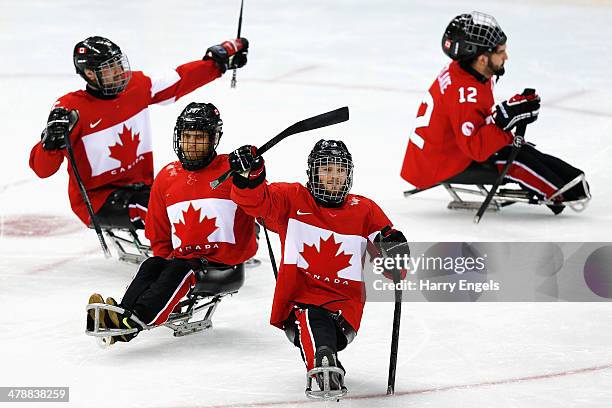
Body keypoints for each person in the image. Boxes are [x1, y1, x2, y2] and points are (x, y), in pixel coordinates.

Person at [227, 140, 410, 396]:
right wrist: (250, 174)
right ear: (312, 172)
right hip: (297, 301)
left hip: (344, 309)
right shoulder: (291, 198)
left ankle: (325, 361)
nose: (334, 177)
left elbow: (395, 272)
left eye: (340, 171)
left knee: (317, 320)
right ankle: (323, 362)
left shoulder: (365, 210)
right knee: (309, 315)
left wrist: (396, 252)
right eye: (326, 170)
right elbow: (256, 202)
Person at [30, 35, 249, 230]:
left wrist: (217, 63)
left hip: (143, 188)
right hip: (99, 200)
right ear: (90, 74)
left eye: (118, 64)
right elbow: (42, 170)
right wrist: (49, 144)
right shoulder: (70, 109)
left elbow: (178, 81)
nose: (119, 72)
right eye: (109, 68)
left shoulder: (135, 86)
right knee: (162, 210)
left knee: (197, 193)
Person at [87, 102, 257, 344]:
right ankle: (122, 314)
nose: (191, 144)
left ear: (214, 138)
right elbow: (159, 234)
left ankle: (134, 323)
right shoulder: (168, 176)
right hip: (185, 260)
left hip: (224, 264)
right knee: (152, 265)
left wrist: (253, 172)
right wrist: (163, 267)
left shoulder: (231, 170)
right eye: (187, 137)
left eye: (199, 137)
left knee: (179, 269)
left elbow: (260, 199)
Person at [400, 11, 589, 214]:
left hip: (440, 153)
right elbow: (476, 149)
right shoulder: (466, 93)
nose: (506, 57)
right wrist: (502, 119)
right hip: (441, 164)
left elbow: (475, 125)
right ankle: (560, 193)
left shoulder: (468, 70)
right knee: (514, 158)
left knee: (518, 147)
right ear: (482, 59)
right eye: (500, 52)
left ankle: (571, 182)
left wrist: (507, 114)